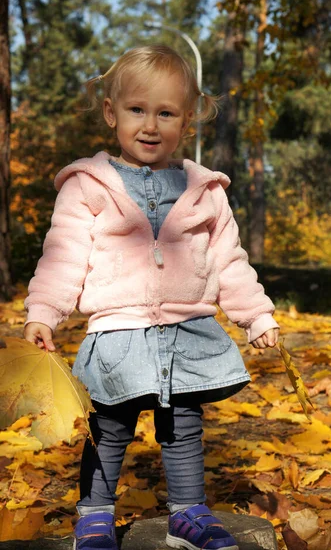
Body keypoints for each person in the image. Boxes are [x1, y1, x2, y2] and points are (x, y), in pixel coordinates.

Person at [24, 45, 279, 550]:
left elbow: (228, 260)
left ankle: (187, 512)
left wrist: (256, 315)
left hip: (188, 330)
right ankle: (94, 515)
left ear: (186, 122)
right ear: (110, 113)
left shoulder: (205, 190)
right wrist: (44, 313)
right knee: (110, 425)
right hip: (117, 332)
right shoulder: (88, 185)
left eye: (166, 113)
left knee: (183, 426)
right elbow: (64, 255)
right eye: (137, 110)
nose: (150, 124)